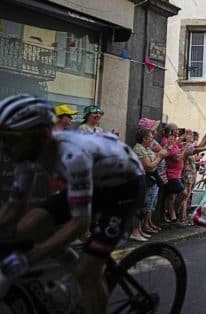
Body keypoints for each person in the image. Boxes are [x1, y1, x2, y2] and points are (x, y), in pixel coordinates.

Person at [0, 95, 145, 314]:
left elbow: (80, 222)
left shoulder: (72, 154)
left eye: (11, 140)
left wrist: (36, 254)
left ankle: (87, 275)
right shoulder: (27, 154)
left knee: (87, 271)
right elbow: (13, 208)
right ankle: (70, 260)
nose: (5, 148)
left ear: (39, 136)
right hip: (93, 182)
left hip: (125, 188)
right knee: (27, 227)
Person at [130, 128, 164, 242]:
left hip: (146, 179)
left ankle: (139, 230)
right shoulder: (138, 148)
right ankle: (135, 232)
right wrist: (159, 156)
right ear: (144, 138)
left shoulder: (146, 149)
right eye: (150, 137)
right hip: (138, 179)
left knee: (144, 205)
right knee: (139, 206)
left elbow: (154, 164)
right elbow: (149, 165)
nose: (152, 139)